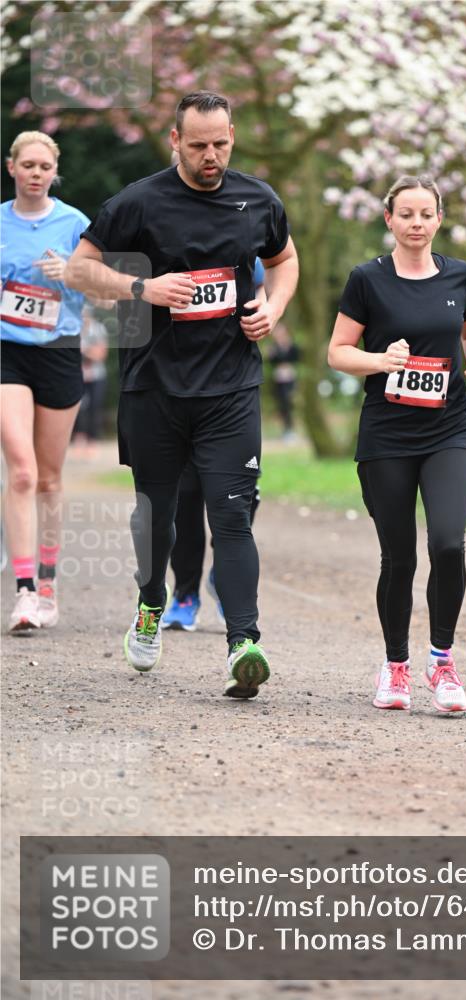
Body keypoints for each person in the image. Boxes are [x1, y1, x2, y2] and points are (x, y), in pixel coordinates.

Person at [65, 91, 299, 698]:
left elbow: (285, 259)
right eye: (197, 145)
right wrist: (142, 288)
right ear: (175, 141)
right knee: (157, 516)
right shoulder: (139, 202)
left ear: (232, 135)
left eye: (220, 143)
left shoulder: (257, 199)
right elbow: (78, 270)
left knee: (232, 513)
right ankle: (151, 602)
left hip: (231, 388)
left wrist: (271, 308)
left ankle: (243, 643)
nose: (210, 155)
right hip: (154, 388)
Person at [327, 174, 466, 714]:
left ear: (439, 219)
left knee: (448, 542)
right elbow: (337, 352)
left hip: (447, 429)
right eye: (407, 214)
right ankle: (395, 665)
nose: (417, 223)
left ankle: (441, 661)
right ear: (389, 219)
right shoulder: (366, 280)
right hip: (388, 435)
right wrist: (380, 361)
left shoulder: (460, 275)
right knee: (399, 557)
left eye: (426, 214)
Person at [1, 131, 90, 633]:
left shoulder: (75, 224)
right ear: (11, 167)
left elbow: (105, 291)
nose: (35, 173)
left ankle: (50, 582)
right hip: (6, 352)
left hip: (57, 351)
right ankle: (24, 591)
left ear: (54, 172)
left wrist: (72, 273)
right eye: (27, 165)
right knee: (20, 471)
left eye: (44, 166)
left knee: (50, 478)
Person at [162, 258, 265, 632]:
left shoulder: (241, 222)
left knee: (235, 501)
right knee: (185, 499)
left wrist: (265, 310)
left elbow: (263, 285)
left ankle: (226, 581)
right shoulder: (159, 230)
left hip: (231, 389)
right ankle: (185, 593)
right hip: (175, 390)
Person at [71, 304, 109, 459]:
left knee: (94, 409)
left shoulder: (98, 329)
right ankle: (79, 441)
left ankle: (93, 442)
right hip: (77, 375)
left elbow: (100, 354)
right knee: (77, 409)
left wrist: (84, 352)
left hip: (96, 375)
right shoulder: (73, 329)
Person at [267, 321, 299, 441]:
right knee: (282, 405)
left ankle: (291, 429)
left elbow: (296, 358)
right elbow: (272, 362)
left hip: (290, 378)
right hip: (279, 379)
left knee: (289, 403)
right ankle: (286, 430)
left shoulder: (291, 346)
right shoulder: (274, 347)